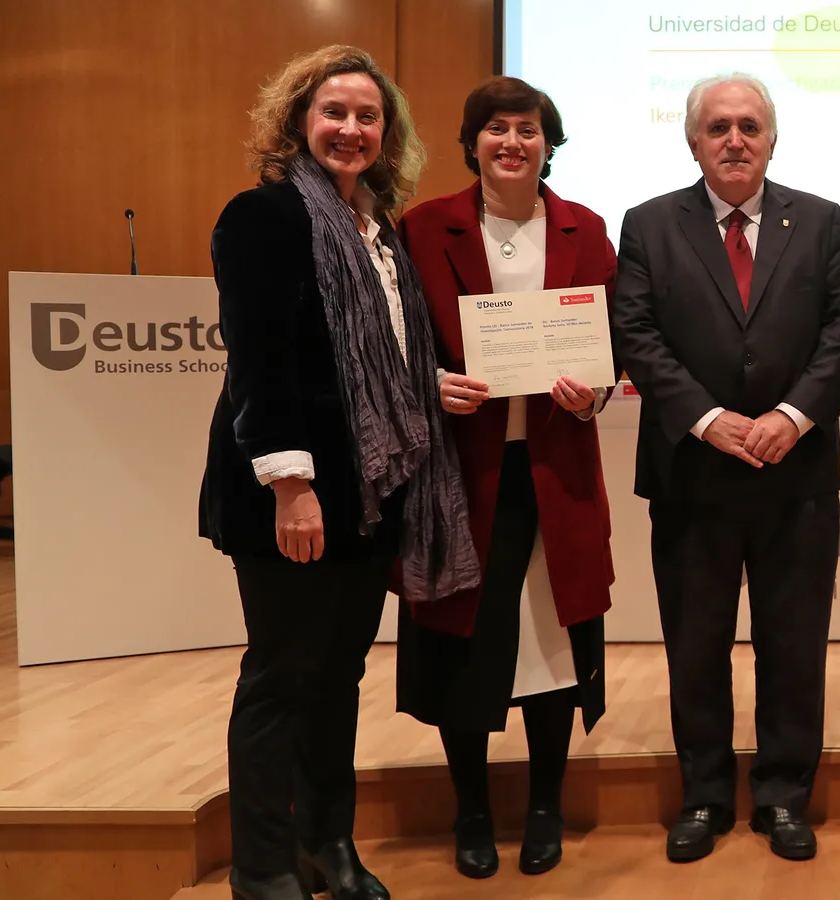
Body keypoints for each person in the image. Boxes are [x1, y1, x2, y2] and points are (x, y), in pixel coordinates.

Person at [199, 45, 478, 900]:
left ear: (386, 133)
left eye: (367, 116)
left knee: (337, 678)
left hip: (367, 494)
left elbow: (376, 359)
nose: (351, 129)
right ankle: (262, 868)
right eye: (334, 112)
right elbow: (261, 363)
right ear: (298, 120)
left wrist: (431, 385)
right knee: (281, 679)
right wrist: (293, 487)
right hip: (288, 495)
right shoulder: (263, 217)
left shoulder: (378, 231)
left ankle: (328, 845)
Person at [610, 72, 840, 863]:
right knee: (696, 649)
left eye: (750, 126)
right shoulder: (649, 224)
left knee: (793, 649)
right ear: (694, 141)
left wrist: (791, 416)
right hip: (693, 476)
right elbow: (636, 333)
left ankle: (784, 797)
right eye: (718, 127)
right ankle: (705, 796)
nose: (734, 140)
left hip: (797, 474)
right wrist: (709, 420)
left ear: (772, 140)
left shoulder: (820, 220)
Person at [394, 76, 617, 881]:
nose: (512, 143)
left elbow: (613, 343)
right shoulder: (424, 227)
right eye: (496, 129)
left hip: (556, 468)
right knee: (466, 641)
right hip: (464, 471)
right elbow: (395, 344)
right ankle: (473, 813)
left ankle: (546, 806)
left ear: (548, 145)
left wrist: (594, 392)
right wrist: (431, 385)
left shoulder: (586, 228)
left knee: (553, 642)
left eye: (528, 130)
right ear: (471, 142)